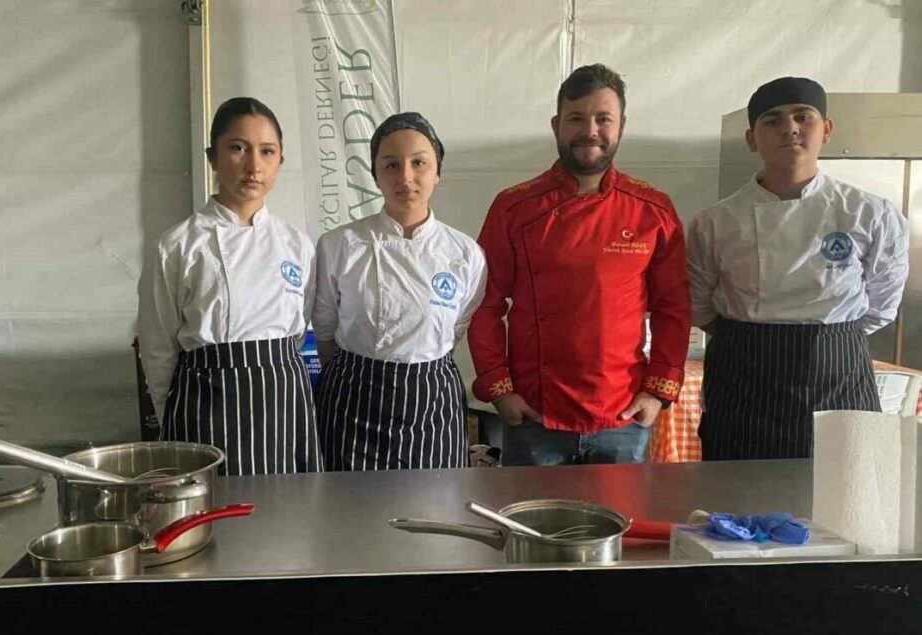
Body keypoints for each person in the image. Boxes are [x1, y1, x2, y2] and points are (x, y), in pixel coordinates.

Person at [467, 63, 691, 466]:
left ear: (622, 126)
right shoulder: (514, 208)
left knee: (621, 528)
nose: (590, 130)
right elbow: (484, 304)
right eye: (576, 119)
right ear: (556, 126)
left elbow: (673, 308)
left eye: (603, 119)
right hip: (534, 418)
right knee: (532, 529)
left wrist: (658, 393)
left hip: (622, 419)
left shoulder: (653, 210)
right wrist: (499, 391)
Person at [687, 76, 909, 460]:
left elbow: (883, 303)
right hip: (744, 379)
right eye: (772, 120)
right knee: (738, 497)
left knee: (841, 494)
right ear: (752, 139)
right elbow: (697, 302)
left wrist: (830, 339)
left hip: (839, 374)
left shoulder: (871, 213)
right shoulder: (716, 222)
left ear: (826, 129)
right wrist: (751, 339)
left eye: (802, 117)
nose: (789, 128)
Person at [137, 97, 322, 475]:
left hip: (282, 403)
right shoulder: (178, 245)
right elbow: (158, 347)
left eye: (267, 152)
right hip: (206, 405)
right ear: (213, 158)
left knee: (287, 518)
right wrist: (170, 414)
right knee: (215, 520)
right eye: (238, 148)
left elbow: (300, 322)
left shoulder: (296, 244)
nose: (254, 166)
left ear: (280, 162)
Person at [313, 112, 487, 470]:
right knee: (349, 511)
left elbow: (455, 329)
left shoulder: (465, 253)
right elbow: (326, 329)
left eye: (419, 163)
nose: (405, 177)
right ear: (375, 174)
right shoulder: (339, 245)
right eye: (391, 165)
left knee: (432, 511)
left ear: (437, 172)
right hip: (353, 397)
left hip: (431, 399)